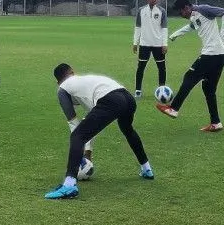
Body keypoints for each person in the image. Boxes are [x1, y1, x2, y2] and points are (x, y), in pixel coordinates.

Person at [44, 63, 153, 199]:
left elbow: (75, 125)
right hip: (127, 98)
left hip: (110, 100)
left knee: (77, 136)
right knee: (127, 129)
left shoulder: (62, 89)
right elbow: (90, 123)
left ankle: (69, 185)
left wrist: (85, 155)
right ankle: (147, 169)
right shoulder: (85, 82)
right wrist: (87, 152)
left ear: (58, 82)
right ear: (72, 72)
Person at [156, 0, 224, 132]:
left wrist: (223, 35)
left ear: (186, 8)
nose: (181, 15)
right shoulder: (194, 16)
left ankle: (173, 108)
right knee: (208, 89)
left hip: (211, 54)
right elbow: (192, 26)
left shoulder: (203, 9)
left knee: (189, 77)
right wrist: (175, 34)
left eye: (180, 12)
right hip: (220, 55)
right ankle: (216, 123)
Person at [132, 0, 169, 98]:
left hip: (158, 44)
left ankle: (162, 89)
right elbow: (138, 27)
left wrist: (165, 44)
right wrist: (135, 42)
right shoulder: (141, 10)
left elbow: (164, 28)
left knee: (161, 68)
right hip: (144, 44)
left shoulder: (162, 11)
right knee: (141, 67)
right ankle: (138, 90)